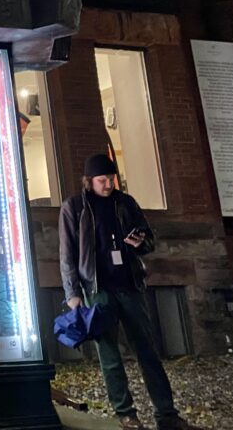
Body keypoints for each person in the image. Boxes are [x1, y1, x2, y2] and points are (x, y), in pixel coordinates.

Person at [59, 154, 201, 430]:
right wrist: (72, 294)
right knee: (109, 354)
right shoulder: (74, 207)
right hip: (97, 290)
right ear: (89, 181)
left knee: (147, 350)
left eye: (111, 179)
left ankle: (166, 415)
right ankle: (125, 414)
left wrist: (140, 242)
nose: (108, 185)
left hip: (130, 285)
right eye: (102, 180)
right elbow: (67, 254)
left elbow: (149, 239)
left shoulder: (125, 203)